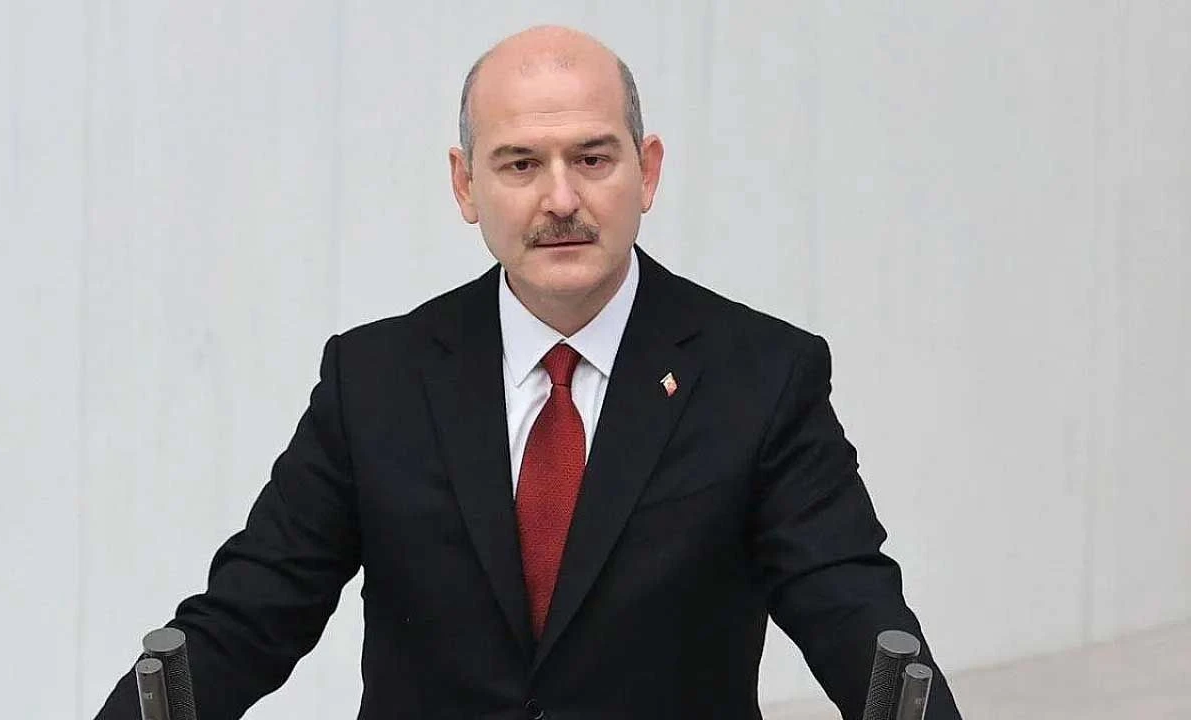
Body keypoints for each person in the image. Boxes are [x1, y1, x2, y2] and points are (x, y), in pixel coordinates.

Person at [96, 24, 962, 720]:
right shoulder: (376, 380)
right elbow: (250, 615)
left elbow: (854, 615)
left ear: (648, 171)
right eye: (520, 164)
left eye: (593, 158)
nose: (560, 200)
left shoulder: (763, 377)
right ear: (465, 185)